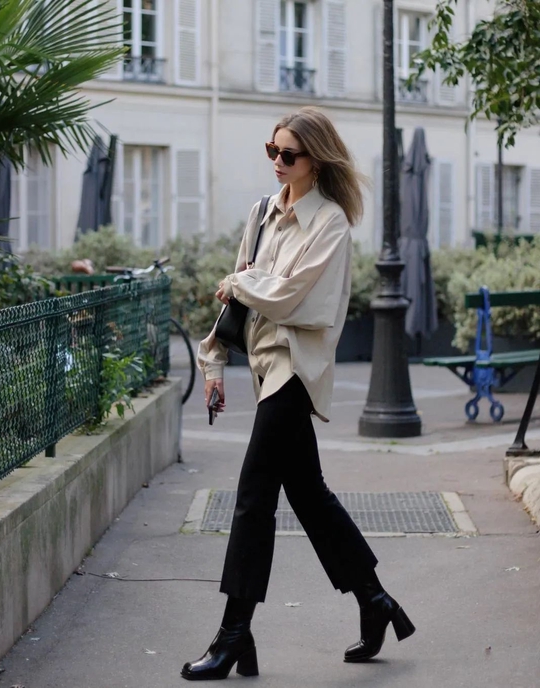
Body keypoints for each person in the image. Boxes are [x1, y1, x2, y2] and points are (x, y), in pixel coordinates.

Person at [181, 106, 415, 681]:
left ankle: (234, 633)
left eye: (289, 154)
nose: (278, 162)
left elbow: (290, 300)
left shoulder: (330, 225)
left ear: (316, 160)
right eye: (273, 151)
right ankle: (374, 599)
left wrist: (240, 282)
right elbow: (238, 305)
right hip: (264, 370)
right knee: (308, 495)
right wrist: (213, 362)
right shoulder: (262, 214)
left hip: (294, 370)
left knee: (253, 497)